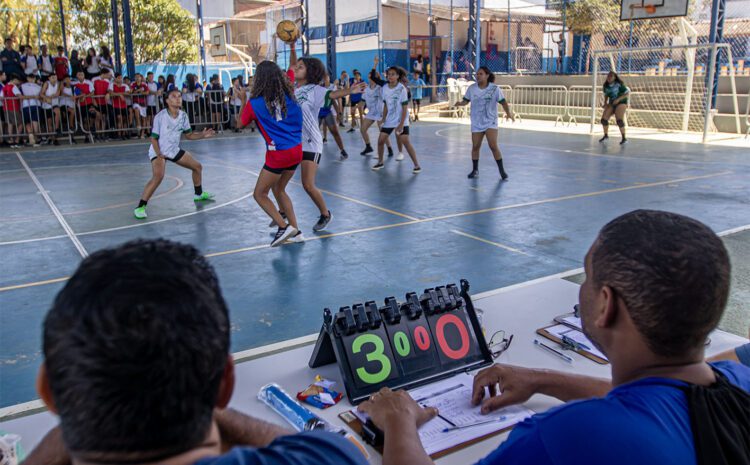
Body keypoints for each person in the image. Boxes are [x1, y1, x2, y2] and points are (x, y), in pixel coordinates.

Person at [360, 209, 750, 465]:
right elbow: (667, 398)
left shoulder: (571, 435)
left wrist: (398, 422)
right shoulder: (738, 382)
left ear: (606, 305)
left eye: (587, 276)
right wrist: (544, 379)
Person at [23, 239, 369, 465]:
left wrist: (82, 417)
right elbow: (341, 451)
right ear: (224, 383)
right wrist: (192, 400)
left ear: (48, 393)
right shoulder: (331, 458)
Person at [286, 50, 365, 233]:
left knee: (307, 184)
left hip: (311, 142)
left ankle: (325, 214)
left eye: (301, 67)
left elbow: (333, 95)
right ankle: (283, 212)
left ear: (310, 72)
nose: (296, 69)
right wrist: (291, 46)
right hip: (294, 141)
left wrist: (349, 91)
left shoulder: (316, 90)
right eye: (296, 66)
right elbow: (291, 67)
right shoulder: (295, 89)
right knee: (280, 178)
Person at [236, 60, 302, 247]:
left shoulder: (255, 103)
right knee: (279, 189)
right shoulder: (289, 93)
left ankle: (283, 227)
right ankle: (296, 231)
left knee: (259, 194)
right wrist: (291, 45)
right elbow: (291, 67)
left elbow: (240, 124)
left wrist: (242, 100)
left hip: (278, 154)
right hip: (296, 150)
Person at [133, 88, 215, 220]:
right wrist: (159, 154)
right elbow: (153, 138)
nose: (178, 99)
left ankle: (198, 194)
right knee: (158, 176)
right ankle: (140, 207)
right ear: (167, 101)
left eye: (179, 96)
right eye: (174, 96)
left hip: (173, 150)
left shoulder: (183, 116)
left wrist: (202, 135)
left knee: (197, 167)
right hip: (158, 150)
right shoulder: (160, 117)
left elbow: (189, 135)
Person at [455, 66, 513, 180]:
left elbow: (503, 102)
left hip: (490, 121)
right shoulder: (472, 88)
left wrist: (508, 113)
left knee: (493, 146)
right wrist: (460, 103)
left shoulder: (494, 89)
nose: (478, 76)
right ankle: (475, 170)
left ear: (487, 75)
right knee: (475, 146)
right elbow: (465, 101)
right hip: (477, 121)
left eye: (480, 74)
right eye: (477, 74)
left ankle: (502, 171)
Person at [372, 66, 421, 173]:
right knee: (380, 141)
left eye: (393, 74)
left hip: (401, 119)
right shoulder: (384, 88)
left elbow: (404, 108)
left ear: (398, 76)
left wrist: (401, 124)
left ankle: (417, 165)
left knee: (405, 142)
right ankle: (380, 162)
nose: (390, 76)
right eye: (389, 74)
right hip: (389, 119)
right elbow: (385, 105)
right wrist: (383, 119)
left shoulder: (401, 89)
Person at [359, 67, 393, 157]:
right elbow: (362, 101)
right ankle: (368, 146)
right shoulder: (366, 89)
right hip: (371, 113)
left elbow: (386, 98)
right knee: (363, 129)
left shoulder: (381, 88)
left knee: (382, 132)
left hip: (380, 112)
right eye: (369, 77)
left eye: (371, 77)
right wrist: (357, 107)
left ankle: (389, 148)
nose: (370, 78)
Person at [318, 73, 349, 160]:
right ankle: (308, 152)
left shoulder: (331, 87)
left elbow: (333, 101)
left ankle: (342, 150)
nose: (325, 78)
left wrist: (339, 113)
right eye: (323, 77)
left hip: (327, 111)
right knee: (313, 133)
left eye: (326, 77)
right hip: (318, 112)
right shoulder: (318, 88)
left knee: (335, 131)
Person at [600, 71, 629, 145]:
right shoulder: (606, 86)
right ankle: (606, 136)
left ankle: (624, 138)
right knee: (604, 119)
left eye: (611, 76)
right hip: (612, 103)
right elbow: (606, 94)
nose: (609, 78)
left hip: (621, 102)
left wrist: (618, 99)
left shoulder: (619, 85)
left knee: (619, 120)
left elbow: (627, 93)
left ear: (614, 77)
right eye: (608, 76)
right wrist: (605, 103)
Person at [73, 70, 98, 142]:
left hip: (89, 103)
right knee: (85, 120)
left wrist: (85, 96)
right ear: (77, 76)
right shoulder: (75, 85)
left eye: (82, 74)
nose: (81, 76)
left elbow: (92, 93)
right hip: (81, 105)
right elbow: (77, 95)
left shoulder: (89, 82)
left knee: (93, 114)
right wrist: (81, 96)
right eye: (79, 74)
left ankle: (92, 127)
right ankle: (86, 136)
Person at [21, 73, 43, 146]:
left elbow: (22, 96)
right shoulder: (38, 87)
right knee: (34, 121)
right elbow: (40, 96)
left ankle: (32, 136)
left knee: (29, 122)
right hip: (34, 105)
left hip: (27, 105)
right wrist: (34, 96)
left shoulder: (22, 86)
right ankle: (34, 138)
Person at [40, 73, 62, 145]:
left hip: (55, 103)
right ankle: (53, 138)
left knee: (57, 112)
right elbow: (41, 94)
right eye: (52, 77)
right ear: (49, 78)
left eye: (55, 77)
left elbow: (58, 92)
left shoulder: (58, 83)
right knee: (49, 122)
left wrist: (55, 95)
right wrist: (47, 98)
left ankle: (57, 128)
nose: (54, 79)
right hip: (47, 105)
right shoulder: (46, 84)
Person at [2, 73, 23, 148]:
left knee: (10, 124)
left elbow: (2, 97)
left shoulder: (5, 87)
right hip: (14, 108)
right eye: (18, 81)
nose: (19, 82)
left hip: (6, 108)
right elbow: (20, 96)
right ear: (14, 80)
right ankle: (17, 140)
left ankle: (10, 140)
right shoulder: (13, 87)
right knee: (20, 124)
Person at [108, 73, 130, 140]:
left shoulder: (125, 85)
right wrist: (120, 95)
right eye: (119, 78)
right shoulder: (112, 85)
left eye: (121, 78)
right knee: (119, 118)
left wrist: (119, 94)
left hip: (124, 105)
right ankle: (119, 134)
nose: (120, 79)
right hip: (116, 105)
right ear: (115, 78)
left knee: (125, 119)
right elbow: (111, 93)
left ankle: (124, 133)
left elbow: (128, 93)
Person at [131, 73, 149, 138]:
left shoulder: (144, 84)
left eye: (139, 77)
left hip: (143, 103)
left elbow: (147, 92)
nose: (137, 78)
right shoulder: (133, 84)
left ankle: (142, 133)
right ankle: (138, 124)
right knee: (136, 109)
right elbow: (131, 92)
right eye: (136, 77)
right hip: (136, 102)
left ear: (141, 78)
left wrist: (142, 92)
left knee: (143, 119)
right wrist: (138, 90)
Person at [59, 75, 77, 141]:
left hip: (71, 105)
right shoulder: (62, 86)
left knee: (72, 112)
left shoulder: (74, 87)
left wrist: (76, 97)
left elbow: (80, 93)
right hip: (63, 104)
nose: (68, 80)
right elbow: (62, 93)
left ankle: (71, 129)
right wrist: (70, 96)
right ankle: (71, 126)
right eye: (66, 79)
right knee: (72, 111)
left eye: (68, 79)